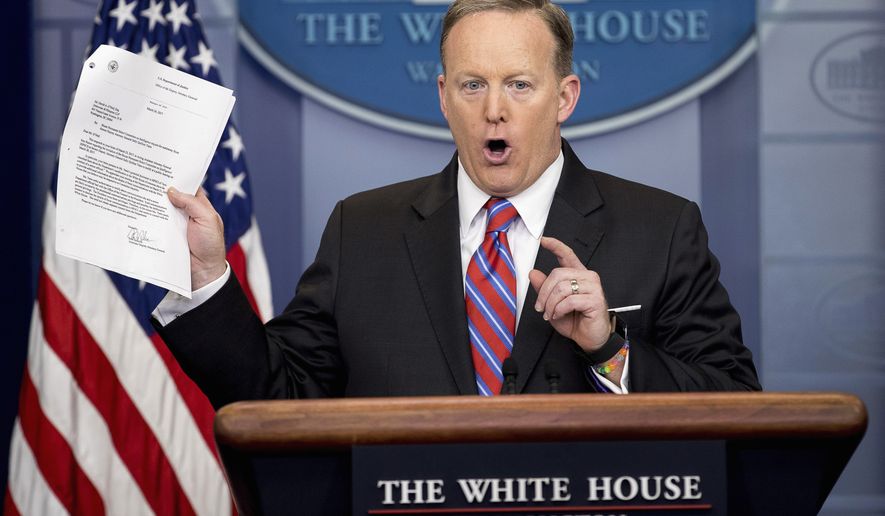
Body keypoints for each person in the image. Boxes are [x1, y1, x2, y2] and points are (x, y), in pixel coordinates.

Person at [153, 0, 760, 409]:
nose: (494, 109)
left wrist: (610, 348)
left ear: (565, 97)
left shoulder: (662, 228)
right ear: (445, 97)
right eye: (473, 85)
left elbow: (735, 402)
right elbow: (275, 396)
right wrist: (207, 276)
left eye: (519, 84)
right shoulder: (362, 232)